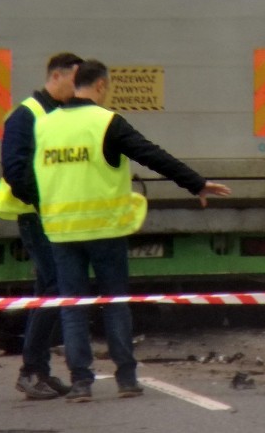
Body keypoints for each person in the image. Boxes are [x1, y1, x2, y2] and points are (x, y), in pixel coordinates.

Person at [32, 59, 231, 402]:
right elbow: (151, 155)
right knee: (116, 304)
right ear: (101, 86)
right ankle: (126, 378)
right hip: (105, 230)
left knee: (73, 308)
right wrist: (196, 183)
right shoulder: (106, 122)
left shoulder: (45, 126)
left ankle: (81, 383)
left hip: (62, 232)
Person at [0, 52, 84, 400]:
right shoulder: (26, 114)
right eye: (75, 80)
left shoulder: (62, 114)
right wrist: (46, 202)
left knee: (49, 289)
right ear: (56, 76)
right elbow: (15, 171)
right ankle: (31, 371)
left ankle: (38, 370)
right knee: (54, 288)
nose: (78, 89)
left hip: (57, 218)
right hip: (36, 217)